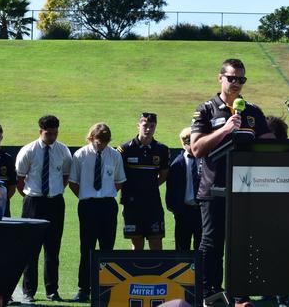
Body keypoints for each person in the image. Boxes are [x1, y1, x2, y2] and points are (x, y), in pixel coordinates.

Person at [190, 58, 274, 307]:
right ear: (220, 78)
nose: (236, 83)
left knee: (243, 243)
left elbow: (270, 144)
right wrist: (225, 129)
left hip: (246, 189)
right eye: (232, 78)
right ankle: (210, 293)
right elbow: (196, 148)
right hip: (214, 189)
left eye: (241, 79)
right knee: (212, 243)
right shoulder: (205, 110)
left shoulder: (253, 111)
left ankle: (240, 295)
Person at [15, 115, 71, 303]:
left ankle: (52, 291)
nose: (52, 137)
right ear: (40, 132)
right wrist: (31, 197)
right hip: (33, 202)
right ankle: (29, 291)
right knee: (31, 250)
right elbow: (20, 180)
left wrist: (54, 192)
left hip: (55, 202)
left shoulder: (63, 151)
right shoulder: (28, 151)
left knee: (53, 249)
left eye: (55, 133)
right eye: (48, 133)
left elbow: (65, 176)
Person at [69, 123, 126, 302]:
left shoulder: (114, 155)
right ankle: (83, 288)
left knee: (107, 248)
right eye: (97, 141)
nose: (100, 145)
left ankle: (105, 288)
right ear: (91, 138)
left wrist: (106, 194)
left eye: (104, 142)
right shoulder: (80, 155)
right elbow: (73, 182)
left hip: (107, 205)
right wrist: (88, 196)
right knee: (87, 248)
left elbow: (119, 181)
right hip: (87, 206)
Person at [118, 112, 170, 251]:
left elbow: (163, 175)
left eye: (152, 126)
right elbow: (118, 177)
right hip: (132, 204)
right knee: (137, 244)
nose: (148, 129)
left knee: (157, 242)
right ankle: (137, 272)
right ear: (138, 126)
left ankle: (157, 272)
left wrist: (149, 187)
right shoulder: (125, 149)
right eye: (145, 125)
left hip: (153, 203)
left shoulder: (162, 150)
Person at [165, 127, 202, 251]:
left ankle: (201, 271)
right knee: (182, 250)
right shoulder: (177, 164)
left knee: (202, 250)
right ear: (185, 143)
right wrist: (177, 211)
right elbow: (171, 191)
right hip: (183, 213)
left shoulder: (204, 160)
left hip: (201, 212)